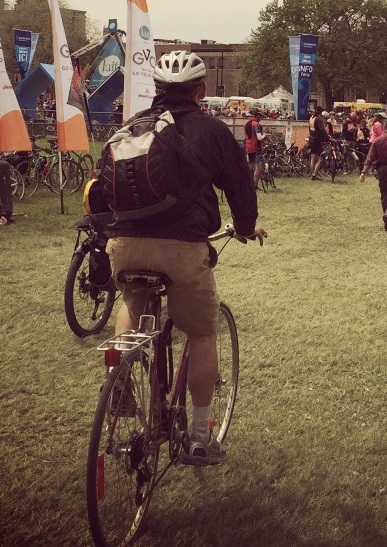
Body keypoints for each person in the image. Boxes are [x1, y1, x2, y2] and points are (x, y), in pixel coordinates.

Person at [106, 50, 267, 465]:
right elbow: (239, 189)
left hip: (124, 244)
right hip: (180, 247)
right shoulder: (211, 131)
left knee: (132, 301)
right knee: (201, 334)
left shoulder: (131, 127)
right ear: (199, 91)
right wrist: (245, 227)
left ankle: (119, 378)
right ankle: (199, 438)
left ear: (157, 90)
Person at [244, 108, 265, 189]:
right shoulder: (256, 125)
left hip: (248, 147)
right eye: (260, 116)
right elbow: (259, 137)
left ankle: (246, 184)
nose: (261, 118)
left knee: (249, 166)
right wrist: (265, 135)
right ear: (257, 116)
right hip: (256, 148)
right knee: (258, 166)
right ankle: (254, 185)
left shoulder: (245, 124)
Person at [307, 106, 327, 180]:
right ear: (321, 112)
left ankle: (312, 174)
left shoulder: (311, 118)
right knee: (320, 159)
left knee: (313, 158)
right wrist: (327, 137)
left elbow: (310, 129)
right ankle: (314, 175)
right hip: (317, 140)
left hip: (311, 139)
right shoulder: (319, 119)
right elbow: (322, 130)